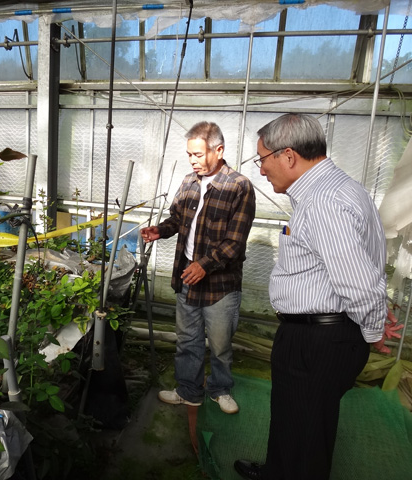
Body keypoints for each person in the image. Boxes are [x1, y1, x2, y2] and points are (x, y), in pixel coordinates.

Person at [234, 114, 403, 480]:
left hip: (318, 340)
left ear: (289, 156)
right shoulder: (340, 189)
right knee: (296, 420)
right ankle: (278, 471)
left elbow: (356, 281)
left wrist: (371, 330)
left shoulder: (324, 201)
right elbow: (364, 265)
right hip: (322, 334)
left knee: (307, 432)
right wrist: (371, 318)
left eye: (262, 158)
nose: (261, 169)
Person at [141, 121, 256, 414]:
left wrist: (204, 266)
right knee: (188, 341)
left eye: (198, 154)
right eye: (189, 155)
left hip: (220, 285)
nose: (193, 160)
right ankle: (189, 391)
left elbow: (235, 243)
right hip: (188, 278)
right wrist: (161, 231)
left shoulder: (239, 186)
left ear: (218, 150)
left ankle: (220, 389)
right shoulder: (188, 182)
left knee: (220, 345)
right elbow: (178, 221)